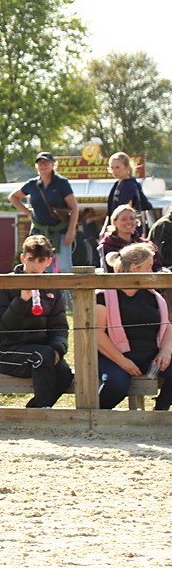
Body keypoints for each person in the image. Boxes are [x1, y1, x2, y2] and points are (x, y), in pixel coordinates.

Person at [0, 235, 73, 408]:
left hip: (42, 352)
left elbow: (59, 327)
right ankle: (42, 412)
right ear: (22, 258)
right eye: (31, 259)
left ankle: (34, 410)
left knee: (65, 374)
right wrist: (21, 301)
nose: (35, 266)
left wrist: (58, 349)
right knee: (42, 356)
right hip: (6, 352)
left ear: (49, 261)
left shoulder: (52, 288)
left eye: (41, 260)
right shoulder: (5, 284)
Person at [96, 243, 172, 410]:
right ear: (135, 268)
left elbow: (167, 327)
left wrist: (165, 351)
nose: (152, 272)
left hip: (150, 355)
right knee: (117, 385)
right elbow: (98, 335)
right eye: (149, 267)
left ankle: (160, 412)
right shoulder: (103, 297)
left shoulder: (154, 296)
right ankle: (95, 417)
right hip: (113, 357)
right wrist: (123, 362)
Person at [9, 151, 78, 273]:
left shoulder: (61, 182)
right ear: (36, 166)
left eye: (46, 162)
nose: (43, 165)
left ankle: (67, 292)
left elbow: (74, 208)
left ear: (53, 165)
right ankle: (44, 293)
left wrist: (71, 231)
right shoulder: (32, 184)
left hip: (60, 231)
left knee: (64, 267)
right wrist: (28, 212)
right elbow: (13, 197)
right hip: (39, 232)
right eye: (40, 163)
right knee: (42, 266)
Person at [99, 205, 163, 273]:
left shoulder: (147, 245)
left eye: (132, 218)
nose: (129, 221)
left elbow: (157, 268)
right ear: (114, 222)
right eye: (124, 219)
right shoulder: (106, 246)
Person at [104, 152, 152, 237]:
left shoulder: (128, 185)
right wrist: (105, 228)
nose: (114, 171)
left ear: (126, 168)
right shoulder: (118, 184)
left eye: (117, 167)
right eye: (112, 168)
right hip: (119, 230)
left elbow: (126, 211)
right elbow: (110, 212)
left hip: (126, 232)